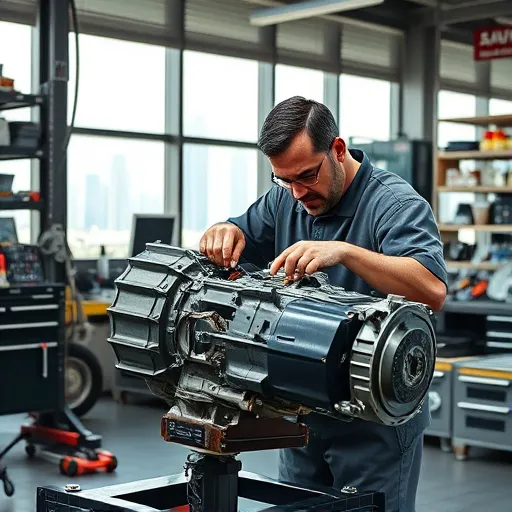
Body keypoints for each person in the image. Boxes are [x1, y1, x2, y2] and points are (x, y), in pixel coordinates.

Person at [199, 96, 447, 512]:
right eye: (285, 180)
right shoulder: (285, 200)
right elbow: (241, 235)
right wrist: (225, 230)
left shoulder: (394, 204)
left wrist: (346, 252)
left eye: (307, 176)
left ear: (337, 149)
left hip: (374, 425)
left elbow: (432, 288)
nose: (297, 193)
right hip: (303, 412)